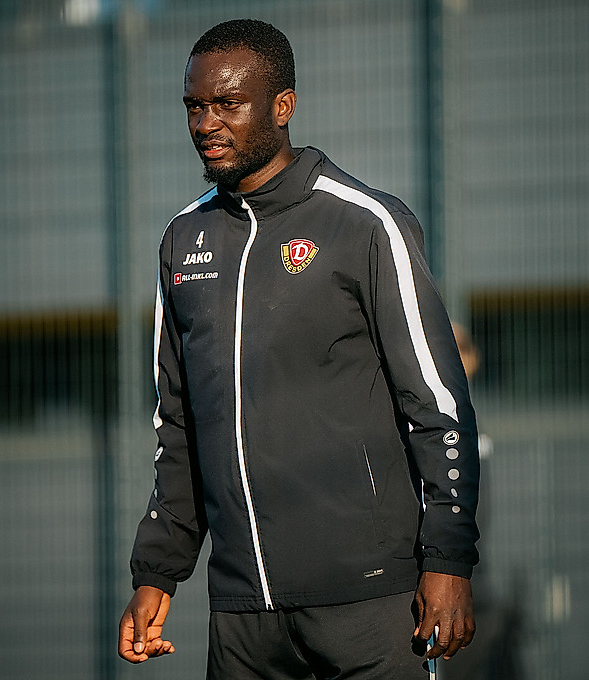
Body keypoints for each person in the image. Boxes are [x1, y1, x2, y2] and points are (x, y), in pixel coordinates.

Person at [117, 18, 481, 679]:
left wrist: (448, 562)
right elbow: (178, 427)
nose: (206, 123)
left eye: (228, 103)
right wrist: (157, 572)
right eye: (195, 106)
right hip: (243, 616)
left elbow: (439, 406)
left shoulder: (368, 223)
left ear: (282, 107)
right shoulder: (182, 241)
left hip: (371, 600)